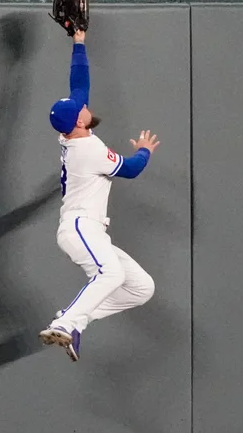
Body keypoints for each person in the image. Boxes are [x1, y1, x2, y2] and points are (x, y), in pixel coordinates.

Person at [38, 28, 160, 362]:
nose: (84, 104)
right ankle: (64, 322)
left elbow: (79, 85)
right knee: (111, 275)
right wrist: (145, 151)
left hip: (90, 229)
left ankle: (75, 322)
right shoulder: (86, 147)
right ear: (78, 122)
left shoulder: (73, 131)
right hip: (79, 226)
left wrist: (79, 42)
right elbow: (132, 169)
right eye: (80, 108)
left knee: (141, 288)